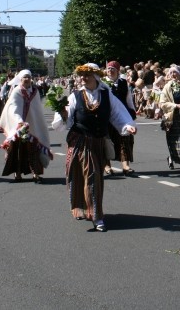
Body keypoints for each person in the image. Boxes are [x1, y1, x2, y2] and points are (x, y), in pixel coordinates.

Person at [52, 63, 136, 232]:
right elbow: (67, 122)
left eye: (87, 75)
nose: (83, 78)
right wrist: (63, 114)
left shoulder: (106, 95)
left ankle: (93, 212)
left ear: (96, 77)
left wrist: (127, 126)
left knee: (94, 178)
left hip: (97, 142)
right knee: (82, 176)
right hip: (79, 141)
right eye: (81, 75)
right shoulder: (75, 95)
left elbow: (117, 113)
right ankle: (92, 214)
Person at [0, 70, 51, 183]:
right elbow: (13, 108)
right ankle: (17, 174)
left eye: (28, 77)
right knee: (18, 151)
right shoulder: (17, 91)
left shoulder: (35, 92)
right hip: (19, 127)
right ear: (20, 79)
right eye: (24, 77)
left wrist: (35, 123)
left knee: (34, 150)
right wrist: (20, 122)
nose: (27, 79)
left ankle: (35, 173)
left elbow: (37, 110)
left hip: (32, 126)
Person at [104, 60, 138, 176]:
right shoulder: (102, 83)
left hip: (122, 114)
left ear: (118, 71)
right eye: (108, 69)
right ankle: (107, 166)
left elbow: (128, 99)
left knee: (125, 139)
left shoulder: (124, 83)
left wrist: (132, 112)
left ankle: (125, 165)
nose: (110, 71)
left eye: (112, 69)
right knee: (107, 140)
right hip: (107, 116)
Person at [159, 64, 180, 174]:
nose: (173, 75)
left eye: (175, 72)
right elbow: (162, 103)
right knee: (178, 141)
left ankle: (172, 158)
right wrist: (175, 106)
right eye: (172, 72)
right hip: (173, 117)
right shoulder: (167, 86)